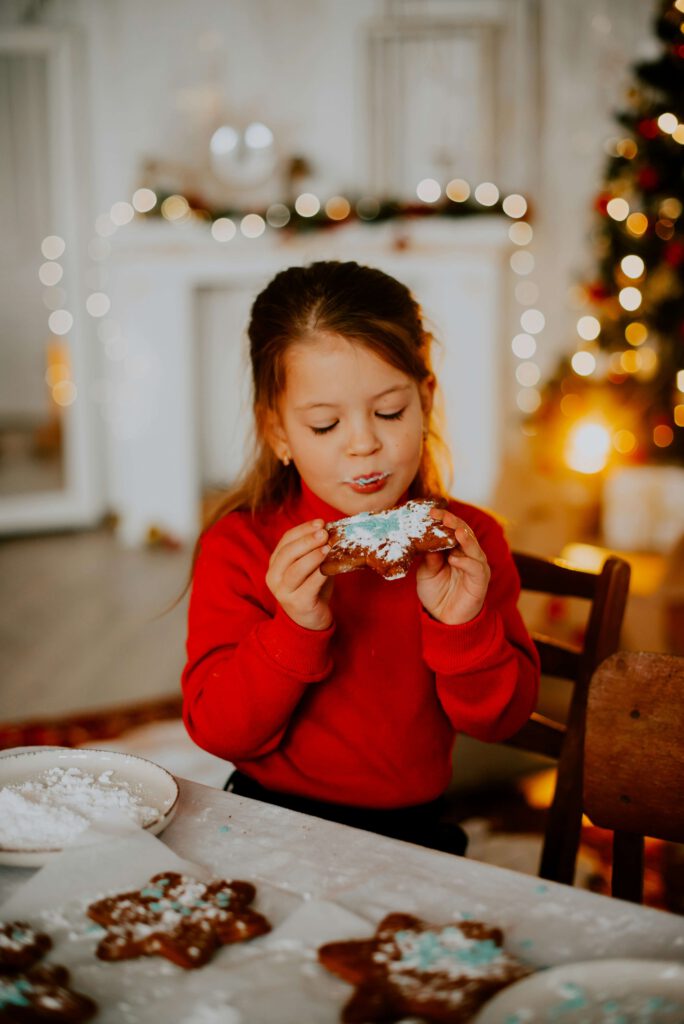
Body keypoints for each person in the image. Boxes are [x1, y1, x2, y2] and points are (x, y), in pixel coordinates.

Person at [182, 260, 540, 855]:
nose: (363, 443)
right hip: (268, 821)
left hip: (413, 833)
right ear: (277, 433)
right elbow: (218, 731)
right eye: (325, 425)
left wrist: (463, 625)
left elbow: (501, 721)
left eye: (390, 412)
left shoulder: (466, 543)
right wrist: (293, 628)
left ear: (425, 401)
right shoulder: (239, 547)